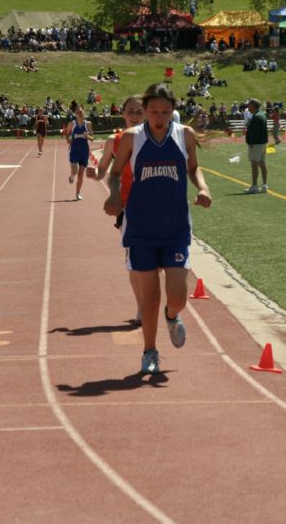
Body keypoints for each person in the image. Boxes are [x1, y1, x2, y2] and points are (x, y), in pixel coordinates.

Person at [102, 83, 212, 375]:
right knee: (148, 299)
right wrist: (114, 195)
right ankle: (150, 352)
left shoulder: (183, 135)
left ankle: (172, 315)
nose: (159, 116)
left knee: (177, 296)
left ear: (173, 110)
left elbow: (193, 167)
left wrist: (203, 187)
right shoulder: (130, 138)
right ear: (146, 109)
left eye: (165, 111)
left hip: (175, 227)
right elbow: (114, 175)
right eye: (153, 111)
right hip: (140, 227)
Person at [91, 95, 146, 325]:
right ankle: (142, 309)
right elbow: (103, 170)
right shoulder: (115, 140)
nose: (135, 116)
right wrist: (94, 174)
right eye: (131, 111)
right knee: (134, 259)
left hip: (158, 205)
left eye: (139, 112)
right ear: (123, 114)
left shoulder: (157, 137)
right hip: (129, 206)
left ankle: (161, 304)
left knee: (156, 263)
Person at [64, 105, 93, 200]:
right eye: (78, 112)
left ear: (83, 112)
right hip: (74, 150)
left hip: (84, 151)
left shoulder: (88, 124)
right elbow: (67, 134)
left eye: (81, 112)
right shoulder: (72, 124)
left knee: (81, 175)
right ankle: (72, 175)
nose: (80, 113)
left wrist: (87, 136)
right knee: (75, 170)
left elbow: (92, 138)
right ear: (75, 114)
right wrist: (68, 139)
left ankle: (77, 193)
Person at [244, 99, 268, 194]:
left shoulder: (257, 116)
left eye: (249, 106)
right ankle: (264, 185)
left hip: (256, 144)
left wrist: (251, 142)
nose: (248, 108)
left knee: (255, 165)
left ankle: (254, 186)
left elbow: (255, 132)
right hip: (262, 143)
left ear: (253, 106)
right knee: (262, 164)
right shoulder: (261, 114)